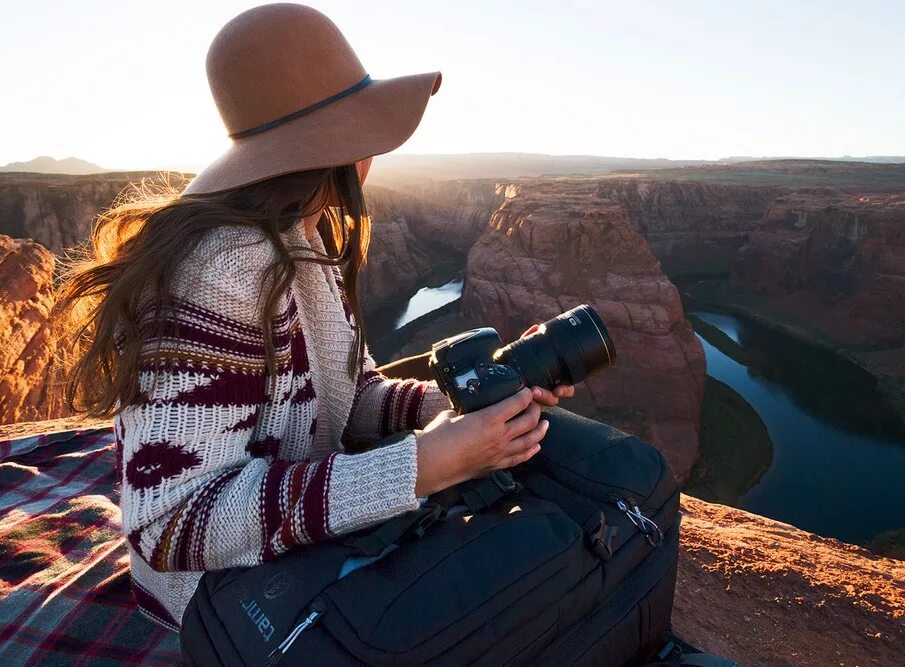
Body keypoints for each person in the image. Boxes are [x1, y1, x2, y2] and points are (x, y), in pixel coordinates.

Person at [57, 3, 573, 631]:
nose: (373, 155)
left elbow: (345, 397)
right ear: (327, 147)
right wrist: (427, 463)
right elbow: (170, 522)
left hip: (292, 560)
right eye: (362, 133)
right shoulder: (219, 270)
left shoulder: (303, 238)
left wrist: (464, 401)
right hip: (225, 609)